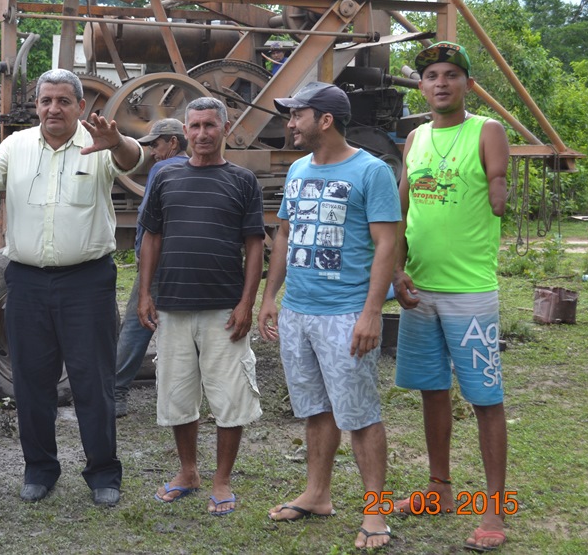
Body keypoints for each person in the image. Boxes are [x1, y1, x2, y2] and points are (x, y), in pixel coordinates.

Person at [0, 68, 144, 507]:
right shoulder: (17, 146)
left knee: (93, 381)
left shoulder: (98, 142)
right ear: (38, 106)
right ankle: (40, 469)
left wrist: (118, 142)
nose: (53, 109)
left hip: (87, 281)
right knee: (32, 383)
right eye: (46, 100)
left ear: (79, 106)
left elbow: (132, 159)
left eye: (64, 101)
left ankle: (103, 472)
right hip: (27, 281)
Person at [258, 81, 399, 549]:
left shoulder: (371, 171)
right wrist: (269, 295)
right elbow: (283, 234)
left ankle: (375, 513)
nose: (289, 123)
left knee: (358, 415)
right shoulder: (298, 168)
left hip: (345, 314)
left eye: (296, 115)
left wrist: (371, 312)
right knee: (316, 410)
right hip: (298, 311)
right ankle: (317, 494)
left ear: (325, 120)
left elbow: (387, 244)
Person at [392, 42, 510, 552]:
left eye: (452, 75)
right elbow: (399, 210)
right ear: (421, 86)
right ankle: (438, 489)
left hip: (470, 292)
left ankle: (493, 508)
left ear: (468, 85)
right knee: (432, 388)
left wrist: (500, 187)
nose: (441, 82)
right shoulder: (414, 138)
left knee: (485, 398)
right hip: (420, 288)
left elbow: (498, 185)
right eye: (432, 75)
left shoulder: (487, 130)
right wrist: (395, 268)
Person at [137, 97, 265, 516]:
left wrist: (248, 302)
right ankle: (188, 472)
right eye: (194, 126)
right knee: (177, 394)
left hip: (224, 309)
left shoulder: (243, 180)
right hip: (172, 305)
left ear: (224, 128)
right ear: (184, 132)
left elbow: (254, 244)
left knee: (230, 397)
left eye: (210, 125)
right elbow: (151, 237)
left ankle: (222, 480)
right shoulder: (165, 177)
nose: (201, 134)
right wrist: (145, 293)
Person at [114, 118, 189, 418]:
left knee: (137, 323)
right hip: (187, 263)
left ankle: (116, 392)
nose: (153, 153)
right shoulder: (198, 167)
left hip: (158, 261)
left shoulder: (163, 169)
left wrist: (140, 257)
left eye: (156, 145)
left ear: (173, 143)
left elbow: (147, 220)